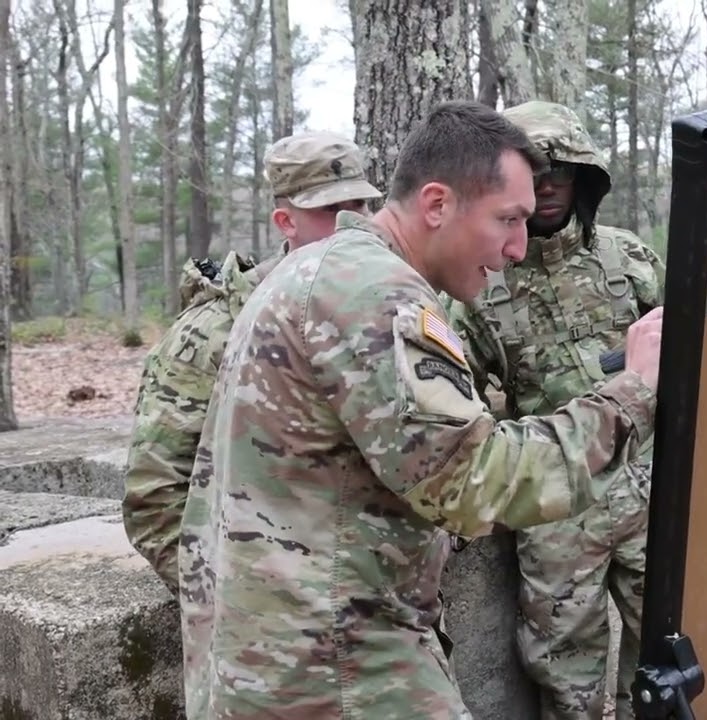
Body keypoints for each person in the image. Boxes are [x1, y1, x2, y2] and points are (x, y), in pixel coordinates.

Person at [177, 99, 664, 719]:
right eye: (507, 219)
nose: (518, 248)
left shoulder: (321, 270)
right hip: (333, 667)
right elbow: (474, 480)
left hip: (292, 651)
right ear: (437, 204)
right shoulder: (377, 295)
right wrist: (632, 393)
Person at [442, 99, 665, 720]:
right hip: (555, 510)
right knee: (564, 670)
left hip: (650, 491)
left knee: (668, 648)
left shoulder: (628, 259)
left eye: (560, 173)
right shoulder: (483, 283)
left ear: (583, 178)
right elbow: (459, 396)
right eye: (534, 175)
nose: (546, 189)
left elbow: (690, 351)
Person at [122, 131, 383, 594]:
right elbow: (155, 495)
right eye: (330, 210)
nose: (352, 223)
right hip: (271, 611)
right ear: (286, 222)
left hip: (373, 596)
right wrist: (231, 606)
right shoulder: (214, 330)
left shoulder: (380, 310)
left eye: (360, 206)